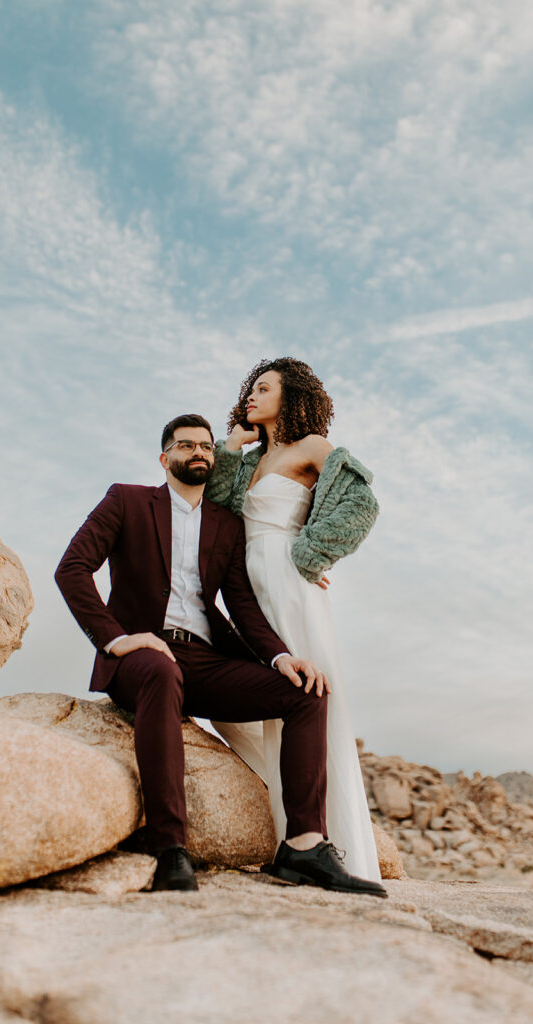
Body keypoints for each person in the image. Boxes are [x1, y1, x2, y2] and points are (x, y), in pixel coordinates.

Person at [55, 413, 387, 897]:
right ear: (164, 457)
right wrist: (115, 639)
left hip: (204, 661)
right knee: (161, 672)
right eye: (186, 445)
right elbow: (73, 568)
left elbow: (243, 605)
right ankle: (171, 849)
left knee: (305, 693)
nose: (198, 453)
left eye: (206, 447)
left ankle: (303, 847)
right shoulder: (126, 499)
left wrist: (280, 658)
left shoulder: (225, 524)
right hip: (143, 657)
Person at [205, 359, 382, 881]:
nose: (252, 397)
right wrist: (229, 448)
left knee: (307, 698)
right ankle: (288, 828)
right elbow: (216, 513)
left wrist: (311, 553)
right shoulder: (247, 459)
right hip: (243, 588)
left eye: (264, 389)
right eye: (250, 390)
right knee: (233, 710)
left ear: (292, 395)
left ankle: (321, 844)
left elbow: (361, 503)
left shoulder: (312, 449)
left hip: (287, 581)